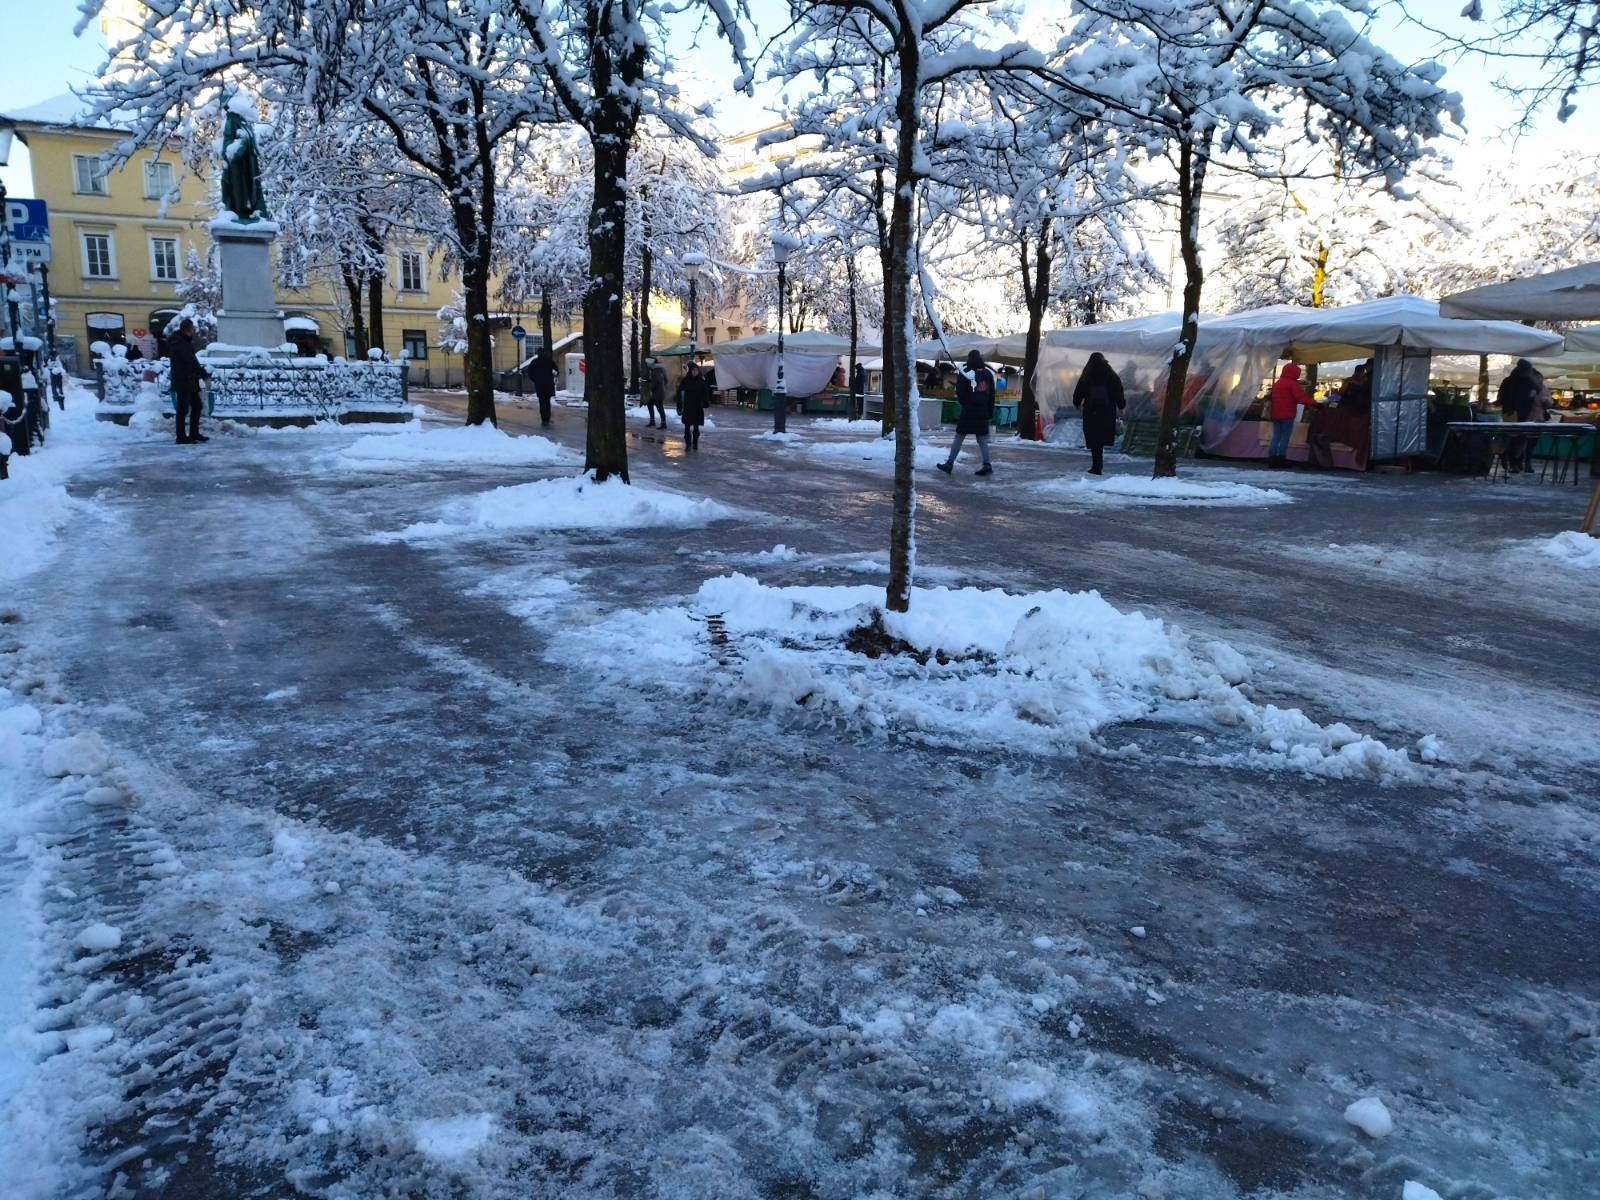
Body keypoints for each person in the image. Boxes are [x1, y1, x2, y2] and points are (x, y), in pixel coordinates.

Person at [936, 350, 997, 476]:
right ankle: (987, 464)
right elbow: (992, 396)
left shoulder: (966, 373)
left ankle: (949, 463)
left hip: (969, 410)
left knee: (959, 436)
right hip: (983, 411)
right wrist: (989, 413)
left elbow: (961, 392)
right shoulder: (988, 374)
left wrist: (965, 403)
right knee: (982, 439)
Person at [1071, 351, 1126, 474]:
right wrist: (1121, 406)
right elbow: (1118, 390)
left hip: (1091, 410)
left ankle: (1096, 465)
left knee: (1094, 437)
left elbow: (1079, 390)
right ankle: (1097, 465)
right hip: (1107, 411)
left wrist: (1076, 403)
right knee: (1101, 437)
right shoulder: (1111, 374)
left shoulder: (1087, 373)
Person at [168, 318, 211, 445]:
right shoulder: (180, 343)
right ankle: (181, 437)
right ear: (189, 329)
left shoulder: (183, 341)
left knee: (196, 406)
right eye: (193, 329)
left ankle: (193, 433)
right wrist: (204, 375)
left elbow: (191, 361)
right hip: (183, 380)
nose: (194, 331)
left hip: (189, 380)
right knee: (183, 409)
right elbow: (191, 361)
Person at [1496, 358, 1543, 473]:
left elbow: (1500, 398)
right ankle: (1513, 462)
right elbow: (1536, 392)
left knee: (1515, 439)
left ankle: (1513, 461)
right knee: (1516, 440)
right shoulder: (1526, 382)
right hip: (1517, 415)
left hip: (1514, 414)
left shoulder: (1509, 381)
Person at [1267, 362, 1309, 467]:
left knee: (1276, 436)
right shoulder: (1293, 384)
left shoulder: (1278, 383)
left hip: (1275, 413)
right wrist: (1315, 403)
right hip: (1288, 414)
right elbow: (1301, 399)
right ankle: (1281, 459)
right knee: (1285, 437)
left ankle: (1272, 459)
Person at [677, 361, 710, 450]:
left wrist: (705, 402)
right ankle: (688, 444)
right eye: (693, 370)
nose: (695, 372)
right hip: (687, 407)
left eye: (696, 370)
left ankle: (695, 443)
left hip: (697, 407)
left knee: (696, 428)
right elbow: (680, 393)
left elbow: (705, 393)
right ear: (690, 371)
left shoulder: (701, 381)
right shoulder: (685, 381)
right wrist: (679, 405)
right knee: (687, 427)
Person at [525, 345, 556, 427]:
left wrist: (536, 380)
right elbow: (556, 370)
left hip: (539, 386)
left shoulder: (534, 362)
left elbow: (530, 374)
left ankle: (544, 420)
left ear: (537, 354)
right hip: (549, 386)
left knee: (542, 403)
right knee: (547, 402)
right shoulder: (549, 361)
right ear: (544, 353)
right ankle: (547, 419)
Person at [646, 358, 669, 428]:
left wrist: (650, 387)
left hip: (657, 393)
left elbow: (656, 381)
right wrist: (662, 386)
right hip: (659, 392)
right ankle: (654, 421)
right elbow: (666, 381)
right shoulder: (662, 369)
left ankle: (663, 423)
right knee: (650, 404)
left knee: (659, 407)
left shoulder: (655, 370)